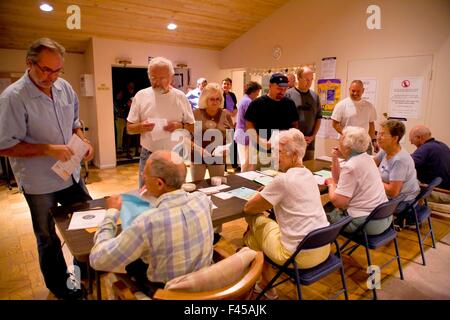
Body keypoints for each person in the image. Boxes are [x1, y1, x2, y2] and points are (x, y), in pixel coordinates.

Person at [0, 38, 94, 299]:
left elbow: (75, 121)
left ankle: (85, 273)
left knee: (88, 223)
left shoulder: (64, 87)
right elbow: (4, 146)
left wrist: (83, 141)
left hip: (71, 173)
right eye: (46, 70)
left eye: (57, 70)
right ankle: (61, 287)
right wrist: (47, 149)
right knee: (47, 236)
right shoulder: (13, 98)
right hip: (40, 182)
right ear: (29, 64)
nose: (52, 77)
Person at [89, 150, 214, 296]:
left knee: (126, 263)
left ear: (159, 183)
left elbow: (97, 259)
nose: (143, 178)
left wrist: (111, 213)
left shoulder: (147, 223)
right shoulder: (203, 200)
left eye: (145, 176)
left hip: (166, 293)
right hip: (203, 284)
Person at [243, 128, 330, 299]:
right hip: (322, 248)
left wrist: (264, 194)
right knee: (262, 231)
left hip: (297, 256)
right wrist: (269, 193)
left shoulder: (283, 180)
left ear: (295, 155)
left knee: (254, 225)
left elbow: (249, 208)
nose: (275, 156)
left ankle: (265, 285)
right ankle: (263, 283)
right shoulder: (309, 175)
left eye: (280, 152)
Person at [126, 57, 195, 189]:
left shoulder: (180, 97)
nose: (157, 82)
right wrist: (141, 126)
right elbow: (129, 128)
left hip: (175, 155)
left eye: (162, 78)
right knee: (146, 194)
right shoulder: (141, 96)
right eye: (153, 78)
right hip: (149, 155)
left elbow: (192, 126)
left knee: (175, 194)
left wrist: (179, 126)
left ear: (171, 77)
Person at [324, 127, 390, 234]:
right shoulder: (368, 158)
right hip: (383, 217)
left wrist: (331, 185)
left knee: (322, 214)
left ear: (347, 147)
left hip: (366, 224)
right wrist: (335, 158)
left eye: (340, 140)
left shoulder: (351, 166)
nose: (338, 142)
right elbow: (339, 181)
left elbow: (338, 202)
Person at [244, 73, 299, 170]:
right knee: (259, 181)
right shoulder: (257, 103)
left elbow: (294, 126)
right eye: (279, 89)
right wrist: (261, 142)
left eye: (284, 89)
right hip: (261, 152)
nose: (282, 92)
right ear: (270, 86)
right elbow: (249, 127)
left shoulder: (289, 104)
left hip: (283, 154)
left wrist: (290, 140)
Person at [374, 120, 420, 225]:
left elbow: (392, 192)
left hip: (401, 203)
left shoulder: (399, 160)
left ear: (395, 138)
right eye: (378, 133)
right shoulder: (386, 150)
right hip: (393, 197)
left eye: (383, 134)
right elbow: (372, 164)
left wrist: (373, 179)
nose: (378, 137)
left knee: (358, 199)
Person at [190, 83, 234, 181]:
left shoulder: (225, 114)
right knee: (198, 186)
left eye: (218, 99)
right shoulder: (196, 114)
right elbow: (186, 138)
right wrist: (199, 150)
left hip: (218, 157)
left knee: (217, 187)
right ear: (205, 99)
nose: (215, 102)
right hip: (198, 156)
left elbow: (230, 137)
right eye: (212, 99)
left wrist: (226, 147)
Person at [285, 66, 322, 160]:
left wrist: (313, 136)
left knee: (307, 169)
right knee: (291, 170)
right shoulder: (288, 95)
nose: (309, 83)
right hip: (292, 143)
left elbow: (318, 118)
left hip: (309, 143)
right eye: (306, 79)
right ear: (298, 78)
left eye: (311, 80)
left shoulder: (315, 97)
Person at [331, 80, 377, 153]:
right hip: (347, 144)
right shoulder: (341, 105)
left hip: (365, 144)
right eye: (353, 91)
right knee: (348, 164)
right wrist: (347, 135)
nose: (355, 93)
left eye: (358, 91)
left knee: (364, 163)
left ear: (363, 91)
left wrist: (374, 141)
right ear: (349, 89)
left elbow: (371, 125)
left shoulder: (369, 106)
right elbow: (335, 124)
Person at [409, 125, 450, 206]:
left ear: (419, 138)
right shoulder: (442, 145)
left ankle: (407, 217)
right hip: (446, 190)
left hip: (441, 193)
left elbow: (407, 164)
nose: (411, 142)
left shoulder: (426, 148)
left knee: (402, 193)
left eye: (412, 139)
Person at [234, 81, 262, 171]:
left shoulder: (244, 99)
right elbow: (250, 121)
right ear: (253, 91)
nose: (258, 94)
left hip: (241, 133)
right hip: (245, 134)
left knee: (245, 162)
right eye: (257, 92)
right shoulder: (248, 102)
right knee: (247, 164)